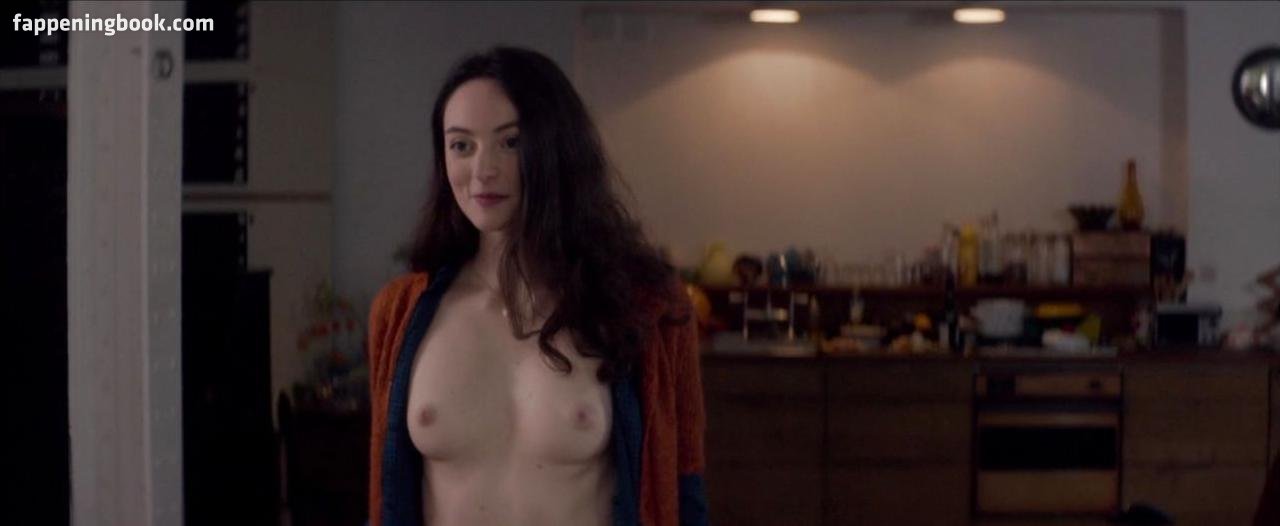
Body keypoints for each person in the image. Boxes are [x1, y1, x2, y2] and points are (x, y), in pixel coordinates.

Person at [365, 46, 707, 526]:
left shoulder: (649, 307)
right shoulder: (398, 314)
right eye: (461, 145)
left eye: (510, 142)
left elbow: (685, 491)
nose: (483, 170)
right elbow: (385, 499)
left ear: (557, 149)